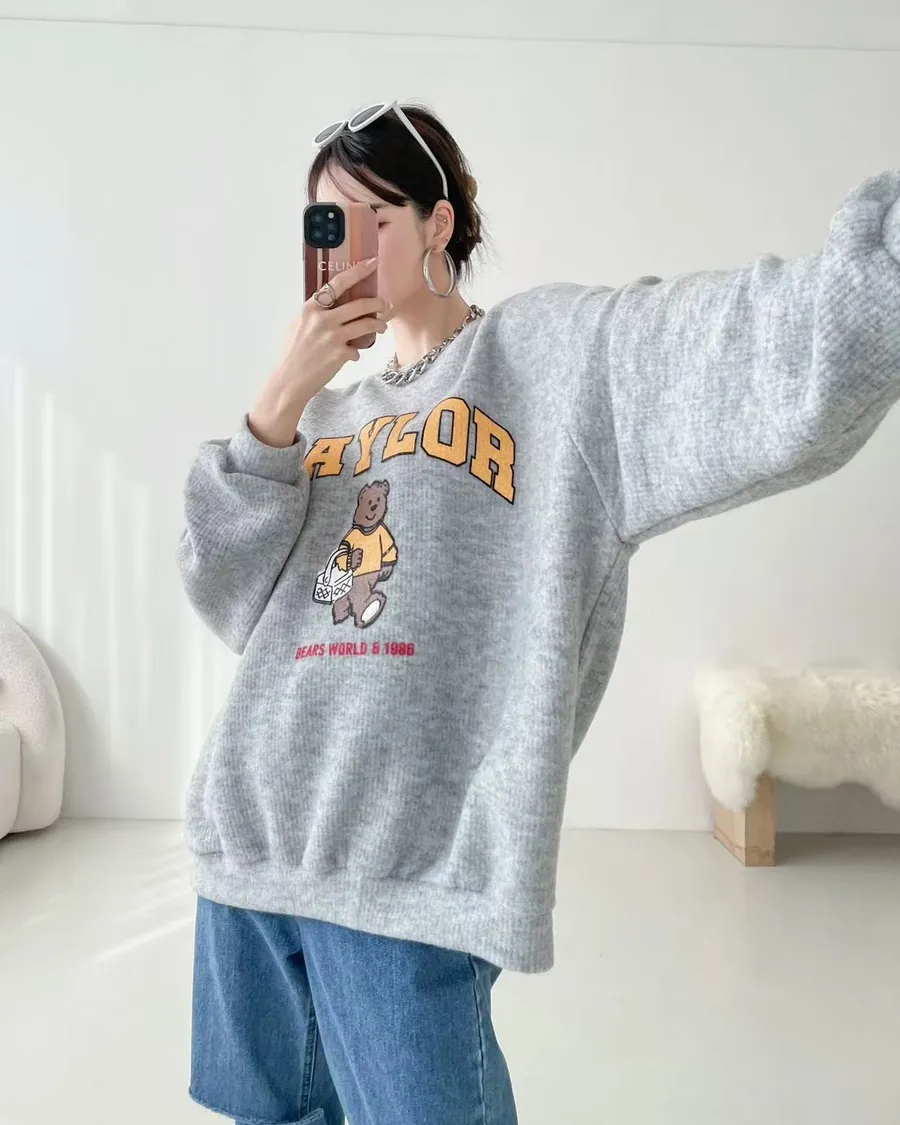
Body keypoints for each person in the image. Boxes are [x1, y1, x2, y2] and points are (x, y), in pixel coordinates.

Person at [177, 100, 900, 1125]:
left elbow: (739, 347)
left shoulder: (550, 363)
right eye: (323, 226)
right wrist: (279, 402)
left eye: (370, 218)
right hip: (248, 850)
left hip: (406, 875)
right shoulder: (317, 421)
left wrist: (879, 272)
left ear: (438, 223)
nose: (342, 252)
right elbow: (224, 594)